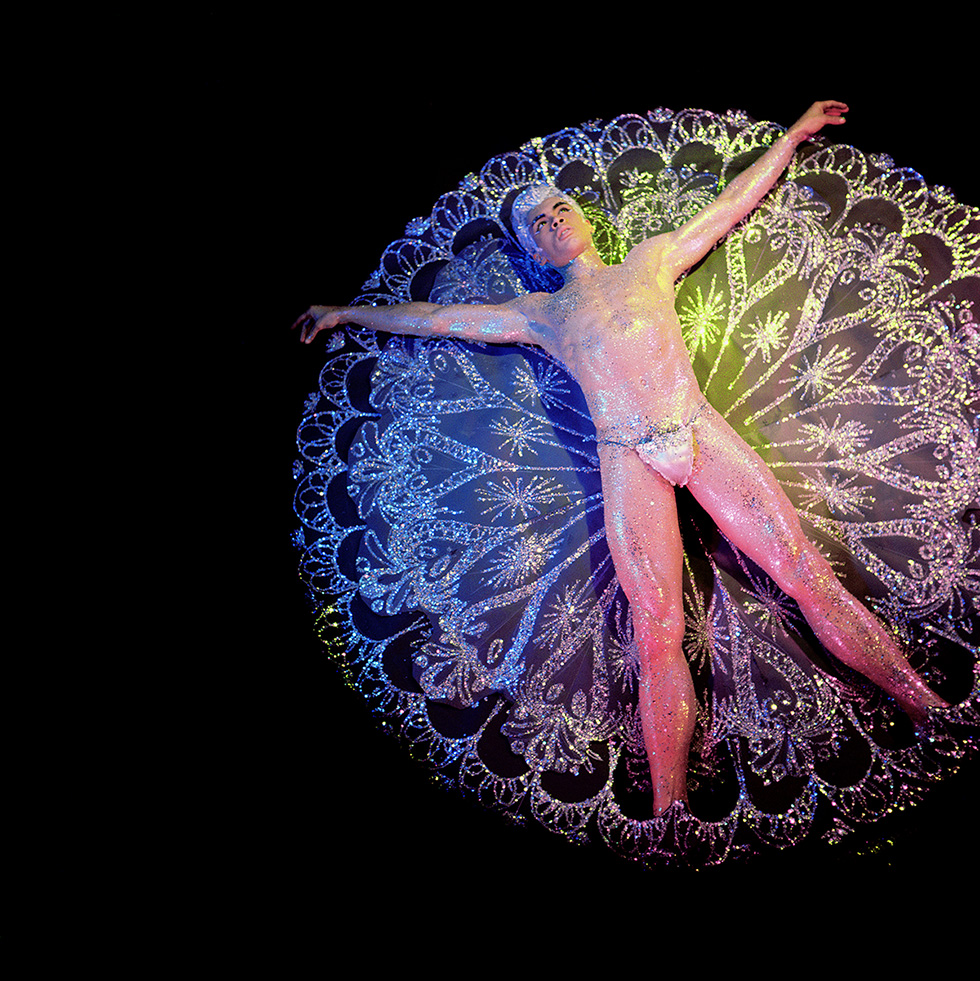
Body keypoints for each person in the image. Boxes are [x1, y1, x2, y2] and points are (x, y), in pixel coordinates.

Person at [293, 100, 949, 816]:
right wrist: (351, 312)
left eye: (559, 208)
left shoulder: (650, 259)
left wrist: (792, 135)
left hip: (694, 425)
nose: (552, 222)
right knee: (656, 625)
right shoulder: (542, 313)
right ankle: (668, 805)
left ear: (583, 217)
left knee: (804, 570)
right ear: (535, 251)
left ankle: (923, 701)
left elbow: (730, 205)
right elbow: (443, 319)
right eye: (537, 224)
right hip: (625, 456)